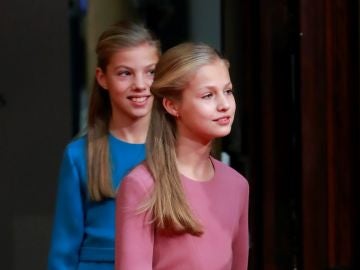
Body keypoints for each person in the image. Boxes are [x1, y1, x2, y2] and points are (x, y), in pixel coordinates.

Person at [115, 42, 249, 270]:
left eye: (228, 91)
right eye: (208, 95)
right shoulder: (141, 185)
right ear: (172, 105)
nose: (224, 105)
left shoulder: (237, 185)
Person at [47, 21, 161, 270]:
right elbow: (63, 252)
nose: (140, 84)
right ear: (103, 78)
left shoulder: (176, 151)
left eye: (151, 72)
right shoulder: (80, 155)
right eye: (124, 73)